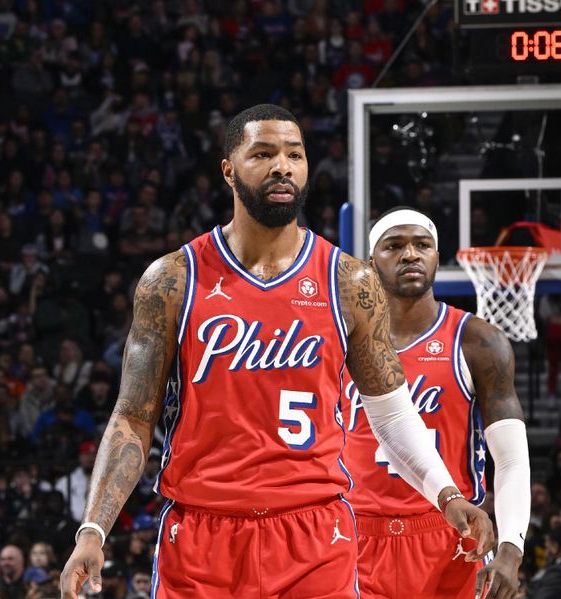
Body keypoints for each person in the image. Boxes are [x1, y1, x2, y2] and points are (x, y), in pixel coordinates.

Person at [60, 104, 494, 598]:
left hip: (313, 534)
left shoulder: (350, 282)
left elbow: (393, 416)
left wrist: (447, 494)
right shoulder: (173, 281)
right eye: (263, 153)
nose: (282, 166)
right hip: (203, 534)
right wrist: (92, 530)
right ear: (228, 170)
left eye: (294, 154)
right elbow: (133, 417)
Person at [341, 207, 531, 598]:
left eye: (421, 245)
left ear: (436, 258)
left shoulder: (478, 342)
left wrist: (511, 548)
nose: (410, 254)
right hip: (352, 535)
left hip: (451, 535)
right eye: (394, 246)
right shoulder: (339, 341)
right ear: (370, 263)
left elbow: (510, 459)